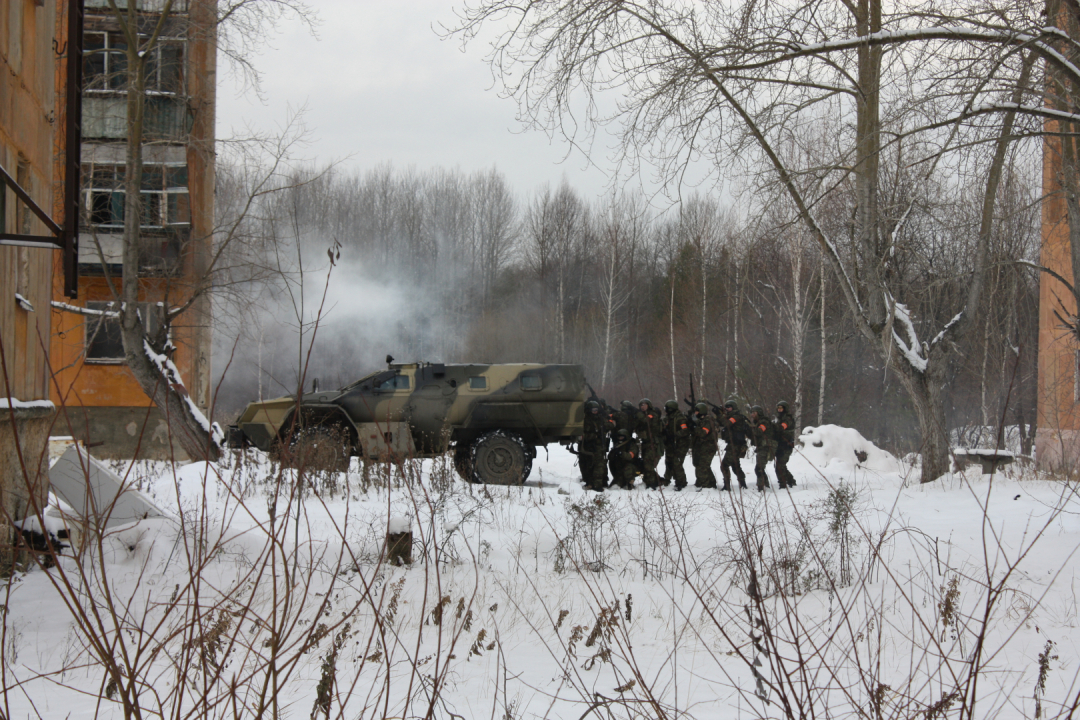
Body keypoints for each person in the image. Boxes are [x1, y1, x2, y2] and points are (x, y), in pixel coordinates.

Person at [719, 399, 751, 490]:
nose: (727, 409)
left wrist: (719, 415)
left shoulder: (736, 417)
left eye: (729, 407)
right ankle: (743, 483)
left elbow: (726, 424)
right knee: (735, 465)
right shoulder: (731, 416)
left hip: (736, 445)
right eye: (726, 407)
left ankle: (727, 485)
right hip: (733, 444)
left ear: (733, 408)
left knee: (724, 465)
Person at [580, 400, 610, 491]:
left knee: (599, 465)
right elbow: (583, 434)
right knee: (588, 465)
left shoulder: (600, 418)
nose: (595, 412)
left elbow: (610, 426)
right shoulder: (585, 420)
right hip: (588, 446)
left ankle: (598, 484)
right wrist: (594, 435)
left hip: (599, 446)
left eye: (596, 410)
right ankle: (590, 483)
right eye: (593, 410)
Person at [661, 399, 691, 489]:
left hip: (680, 444)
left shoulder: (680, 418)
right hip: (670, 443)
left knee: (676, 463)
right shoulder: (668, 418)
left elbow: (685, 430)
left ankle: (681, 482)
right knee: (668, 461)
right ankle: (667, 479)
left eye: (666, 408)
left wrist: (675, 435)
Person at [636, 399, 664, 489]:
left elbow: (646, 421)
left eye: (644, 405)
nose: (642, 407)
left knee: (649, 464)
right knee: (645, 463)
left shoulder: (653, 414)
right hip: (645, 443)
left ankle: (652, 483)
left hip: (653, 443)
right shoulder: (641, 415)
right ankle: (652, 480)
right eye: (641, 405)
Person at [690, 402, 718, 489]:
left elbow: (703, 433)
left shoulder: (708, 420)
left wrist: (694, 427)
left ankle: (706, 485)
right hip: (702, 446)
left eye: (697, 411)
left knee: (703, 466)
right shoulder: (701, 420)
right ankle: (708, 482)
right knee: (699, 464)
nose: (695, 413)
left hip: (709, 447)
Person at [749, 405, 776, 492]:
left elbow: (759, 432)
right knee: (760, 467)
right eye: (751, 413)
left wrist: (750, 428)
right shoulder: (758, 422)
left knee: (759, 468)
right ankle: (766, 484)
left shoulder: (764, 422)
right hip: (761, 447)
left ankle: (761, 487)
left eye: (754, 413)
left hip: (766, 447)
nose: (752, 415)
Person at [773, 400, 797, 489]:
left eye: (781, 408)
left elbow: (782, 427)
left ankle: (783, 484)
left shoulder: (788, 418)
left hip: (786, 445)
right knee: (779, 465)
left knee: (780, 465)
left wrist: (773, 427)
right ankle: (791, 481)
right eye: (778, 408)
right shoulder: (778, 418)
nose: (779, 410)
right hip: (780, 445)